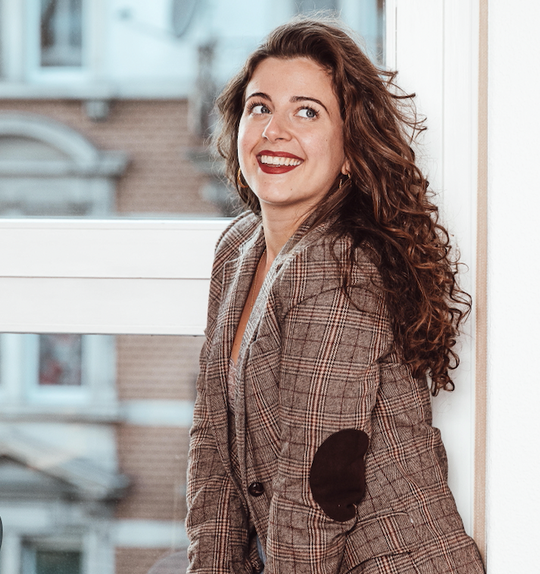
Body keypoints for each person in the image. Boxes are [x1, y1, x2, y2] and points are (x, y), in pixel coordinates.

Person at [186, 17, 485, 574]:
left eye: (307, 112)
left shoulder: (335, 264)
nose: (274, 131)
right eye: (259, 107)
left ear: (350, 150)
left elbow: (319, 486)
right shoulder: (236, 250)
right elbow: (213, 451)